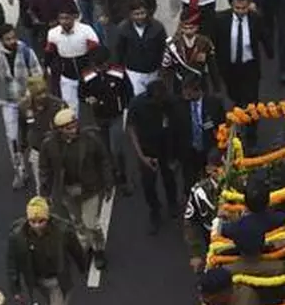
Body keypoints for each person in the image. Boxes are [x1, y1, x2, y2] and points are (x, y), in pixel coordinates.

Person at [6, 197, 87, 305]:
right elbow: (12, 262)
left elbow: (76, 249)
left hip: (57, 279)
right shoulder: (17, 236)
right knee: (52, 302)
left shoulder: (62, 230)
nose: (37, 225)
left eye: (41, 221)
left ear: (47, 218)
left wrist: (82, 266)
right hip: (38, 280)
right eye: (33, 221)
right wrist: (15, 288)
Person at [40, 107, 113, 269]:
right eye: (68, 127)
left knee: (91, 223)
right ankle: (85, 246)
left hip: (90, 188)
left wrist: (108, 183)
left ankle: (98, 249)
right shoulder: (49, 145)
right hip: (67, 190)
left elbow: (103, 160)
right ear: (59, 130)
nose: (73, 129)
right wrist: (45, 193)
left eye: (74, 125)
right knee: (77, 222)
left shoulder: (90, 138)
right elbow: (45, 169)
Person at [0, 23, 42, 190]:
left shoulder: (26, 52)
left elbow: (37, 74)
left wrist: (33, 96)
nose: (11, 41)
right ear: (1, 40)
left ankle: (40, 167)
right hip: (8, 102)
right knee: (12, 137)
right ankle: (19, 170)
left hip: (28, 99)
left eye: (13, 37)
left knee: (34, 133)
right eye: (7, 39)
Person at [127, 80, 185, 233]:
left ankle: (172, 202)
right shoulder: (137, 104)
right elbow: (131, 129)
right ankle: (155, 210)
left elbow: (178, 124)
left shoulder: (170, 101)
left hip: (167, 147)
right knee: (148, 184)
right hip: (147, 150)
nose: (161, 101)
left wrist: (177, 155)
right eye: (158, 99)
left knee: (169, 177)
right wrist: (141, 156)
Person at [79, 47, 135, 195]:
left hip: (116, 116)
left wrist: (123, 106)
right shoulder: (87, 75)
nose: (100, 68)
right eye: (97, 65)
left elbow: (129, 92)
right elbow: (81, 94)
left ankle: (123, 177)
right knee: (104, 148)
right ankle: (110, 176)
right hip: (99, 117)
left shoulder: (119, 72)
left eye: (102, 64)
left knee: (116, 148)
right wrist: (87, 99)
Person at [216, 0, 272, 111]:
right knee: (234, 95)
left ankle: (251, 126)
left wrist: (270, 52)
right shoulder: (221, 19)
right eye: (237, 8)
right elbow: (215, 40)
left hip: (250, 66)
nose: (240, 11)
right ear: (232, 5)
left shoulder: (256, 18)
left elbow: (264, 36)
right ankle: (239, 114)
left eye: (244, 8)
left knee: (252, 100)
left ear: (248, 6)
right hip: (230, 67)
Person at [45, 8, 101, 111]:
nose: (64, 22)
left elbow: (96, 51)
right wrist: (49, 70)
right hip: (67, 76)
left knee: (94, 105)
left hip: (87, 75)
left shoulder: (86, 30)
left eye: (67, 18)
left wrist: (95, 69)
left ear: (74, 17)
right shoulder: (53, 33)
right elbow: (50, 54)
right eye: (61, 18)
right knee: (70, 109)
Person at [19, 76, 66, 196]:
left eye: (45, 91)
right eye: (39, 94)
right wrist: (23, 145)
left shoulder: (58, 105)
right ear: (32, 95)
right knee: (41, 183)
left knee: (63, 178)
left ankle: (66, 199)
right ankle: (45, 205)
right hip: (37, 149)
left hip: (58, 148)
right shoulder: (24, 107)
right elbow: (23, 127)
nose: (43, 96)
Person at [110, 0, 168, 96]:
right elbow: (118, 51)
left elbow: (164, 48)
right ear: (130, 14)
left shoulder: (157, 27)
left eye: (142, 13)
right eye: (136, 14)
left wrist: (163, 69)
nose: (140, 17)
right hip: (133, 72)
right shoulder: (122, 29)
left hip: (154, 71)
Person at [179, 75, 226, 187]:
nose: (184, 95)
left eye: (187, 92)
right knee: (190, 179)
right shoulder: (180, 105)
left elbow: (222, 125)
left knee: (211, 177)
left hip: (209, 148)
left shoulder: (214, 104)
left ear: (197, 90)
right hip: (190, 150)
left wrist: (220, 148)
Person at [185, 148, 223, 272]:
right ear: (209, 170)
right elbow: (190, 222)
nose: (222, 171)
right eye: (217, 167)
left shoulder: (238, 185)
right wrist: (195, 254)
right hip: (211, 238)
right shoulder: (199, 192)